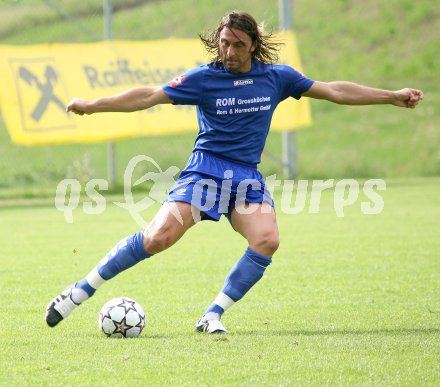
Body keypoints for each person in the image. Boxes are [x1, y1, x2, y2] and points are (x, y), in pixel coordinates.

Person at [45, 11, 423, 334]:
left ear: (253, 45)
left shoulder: (278, 78)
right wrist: (93, 106)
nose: (229, 51)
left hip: (245, 178)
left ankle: (213, 314)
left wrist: (391, 95)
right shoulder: (203, 78)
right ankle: (79, 290)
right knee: (157, 238)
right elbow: (147, 96)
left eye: (238, 44)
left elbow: (335, 91)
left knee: (266, 240)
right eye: (224, 42)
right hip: (204, 173)